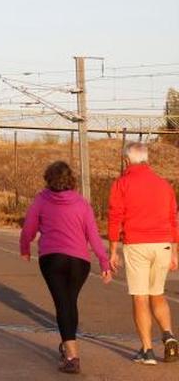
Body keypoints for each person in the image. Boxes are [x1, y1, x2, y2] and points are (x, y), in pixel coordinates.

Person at [19, 161, 111, 375]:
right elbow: (93, 236)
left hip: (52, 259)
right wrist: (104, 262)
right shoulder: (82, 203)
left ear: (48, 178)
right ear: (71, 179)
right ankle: (67, 345)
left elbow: (28, 229)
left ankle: (72, 356)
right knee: (70, 302)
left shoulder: (41, 200)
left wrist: (25, 248)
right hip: (80, 262)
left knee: (63, 304)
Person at [107, 142, 179, 365]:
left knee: (140, 297)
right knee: (158, 293)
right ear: (146, 159)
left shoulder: (122, 184)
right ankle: (168, 335)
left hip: (137, 244)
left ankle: (147, 351)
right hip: (163, 244)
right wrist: (175, 251)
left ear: (127, 160)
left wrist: (113, 250)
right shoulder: (163, 184)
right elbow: (173, 218)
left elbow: (114, 217)